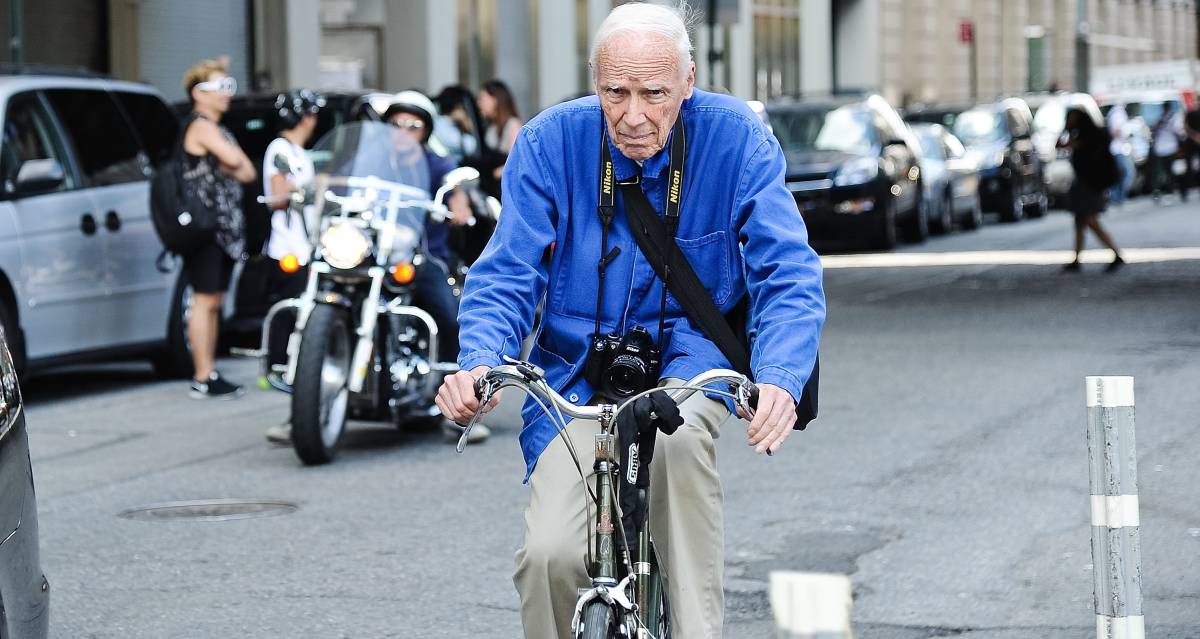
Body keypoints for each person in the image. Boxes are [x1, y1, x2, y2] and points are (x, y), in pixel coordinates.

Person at [436, 4, 825, 637]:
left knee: (677, 447)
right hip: (573, 377)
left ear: (689, 82)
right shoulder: (549, 141)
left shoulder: (736, 137)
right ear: (595, 81)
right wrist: (477, 366)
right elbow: (507, 274)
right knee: (549, 557)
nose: (633, 114)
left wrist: (779, 376)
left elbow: (788, 272)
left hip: (688, 364)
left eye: (654, 93)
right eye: (615, 92)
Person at [381, 91, 490, 444]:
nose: (403, 131)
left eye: (413, 125)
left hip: (419, 255)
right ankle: (301, 408)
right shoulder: (374, 159)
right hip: (372, 254)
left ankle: (456, 412)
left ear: (425, 131)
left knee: (447, 314)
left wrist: (459, 207)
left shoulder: (434, 163)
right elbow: (338, 177)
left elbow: (455, 187)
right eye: (396, 124)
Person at [179, 56, 257, 399]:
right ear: (199, 93)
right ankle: (202, 373)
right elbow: (235, 162)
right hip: (206, 228)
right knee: (205, 298)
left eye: (231, 86)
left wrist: (228, 160)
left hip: (225, 230)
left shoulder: (220, 130)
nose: (228, 94)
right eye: (221, 87)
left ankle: (209, 370)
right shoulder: (201, 126)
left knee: (215, 300)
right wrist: (228, 161)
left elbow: (248, 172)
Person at [261, 89, 323, 443]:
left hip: (307, 248)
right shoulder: (280, 149)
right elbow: (278, 197)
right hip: (289, 250)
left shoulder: (299, 152)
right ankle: (292, 403)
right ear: (307, 117)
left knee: (307, 324)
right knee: (295, 329)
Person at [1059, 107, 1124, 273]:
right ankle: (1077, 258)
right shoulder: (1081, 135)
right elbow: (1059, 145)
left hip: (1091, 184)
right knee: (1080, 221)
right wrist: (1065, 128)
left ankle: (1115, 253)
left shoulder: (1092, 136)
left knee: (1089, 220)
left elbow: (1066, 146)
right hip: (1084, 183)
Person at [478, 79, 523, 181]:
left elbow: (517, 161)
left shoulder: (512, 125)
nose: (479, 103)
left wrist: (498, 173)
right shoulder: (490, 127)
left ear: (495, 99)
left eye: (482, 98)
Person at [433, 85, 482, 164]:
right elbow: (471, 146)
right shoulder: (441, 124)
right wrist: (466, 124)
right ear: (457, 107)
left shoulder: (447, 123)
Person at [1149, 101, 1185, 202]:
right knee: (1160, 172)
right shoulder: (1160, 118)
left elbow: (1179, 132)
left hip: (1170, 148)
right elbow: (1154, 131)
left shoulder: (1174, 118)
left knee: (1170, 171)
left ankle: (1170, 190)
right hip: (1161, 149)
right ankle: (1158, 191)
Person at [1105, 102, 1135, 206]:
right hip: (1118, 149)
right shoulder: (1117, 113)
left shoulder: (1116, 112)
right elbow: (1114, 131)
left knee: (1121, 174)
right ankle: (1117, 197)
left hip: (1120, 148)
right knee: (1127, 173)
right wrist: (1124, 135)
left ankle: (1117, 197)